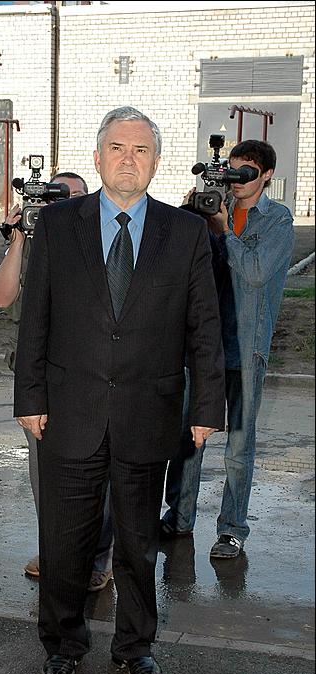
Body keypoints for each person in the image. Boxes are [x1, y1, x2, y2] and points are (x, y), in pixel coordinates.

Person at [14, 105, 225, 674]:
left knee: (138, 543)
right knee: (64, 542)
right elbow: (35, 318)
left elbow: (205, 327)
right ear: (97, 157)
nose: (128, 160)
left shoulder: (185, 233)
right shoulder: (58, 225)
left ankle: (135, 646)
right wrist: (29, 396)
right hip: (68, 409)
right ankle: (62, 642)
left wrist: (207, 406)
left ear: (155, 163)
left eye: (140, 150)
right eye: (117, 148)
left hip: (147, 412)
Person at [161, 140, 294, 559]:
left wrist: (223, 229)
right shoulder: (209, 210)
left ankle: (232, 530)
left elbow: (254, 272)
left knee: (238, 444)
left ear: (266, 175)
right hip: (201, 343)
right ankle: (178, 518)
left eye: (246, 173)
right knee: (188, 438)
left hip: (245, 344)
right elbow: (175, 262)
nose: (236, 181)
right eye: (232, 171)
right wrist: (189, 215)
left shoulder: (276, 219)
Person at [0, 171, 114, 593]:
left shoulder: (102, 242)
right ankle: (55, 550)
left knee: (96, 473)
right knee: (44, 473)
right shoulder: (33, 242)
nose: (67, 204)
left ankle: (97, 557)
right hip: (39, 379)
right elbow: (3, 297)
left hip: (89, 379)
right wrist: (18, 239)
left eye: (76, 196)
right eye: (57, 197)